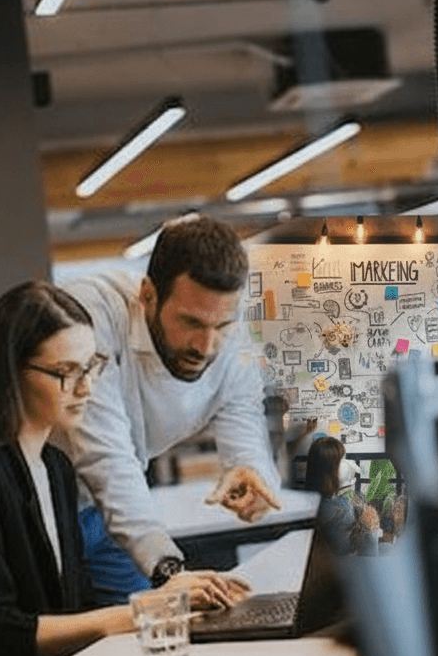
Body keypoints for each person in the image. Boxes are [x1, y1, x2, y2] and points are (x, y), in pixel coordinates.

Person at [0, 282, 245, 656]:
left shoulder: (55, 468)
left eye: (93, 367)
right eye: (67, 371)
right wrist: (141, 610)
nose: (86, 388)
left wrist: (165, 607)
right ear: (12, 371)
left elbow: (73, 607)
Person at [62, 215, 282, 603]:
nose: (207, 345)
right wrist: (169, 569)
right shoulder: (90, 313)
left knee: (138, 635)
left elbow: (241, 409)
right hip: (46, 508)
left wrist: (250, 470)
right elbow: (106, 456)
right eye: (190, 322)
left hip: (111, 513)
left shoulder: (229, 333)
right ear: (146, 294)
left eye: (222, 325)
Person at [303, 436, 379, 556]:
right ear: (331, 469)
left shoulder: (317, 501)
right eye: (342, 459)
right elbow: (348, 551)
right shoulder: (336, 509)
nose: (348, 463)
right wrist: (371, 530)